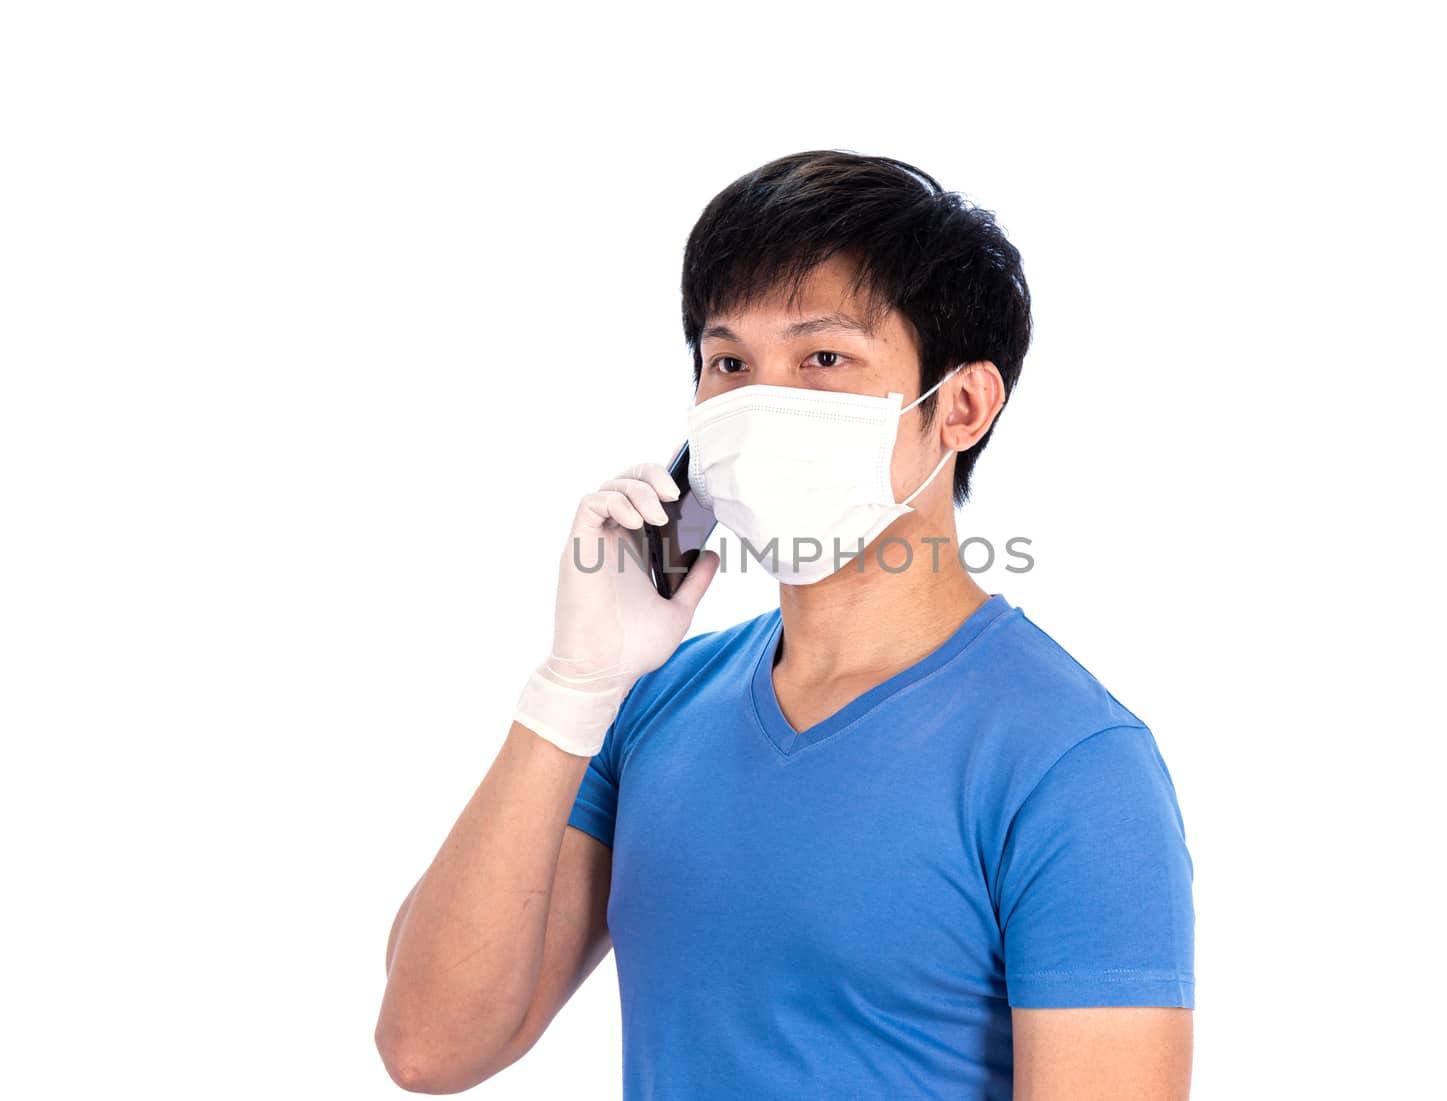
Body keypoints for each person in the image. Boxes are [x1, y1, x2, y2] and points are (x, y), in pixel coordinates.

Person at [375, 150, 1195, 1099]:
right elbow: (429, 1044)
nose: (764, 403)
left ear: (960, 404)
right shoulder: (647, 709)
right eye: (730, 363)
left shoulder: (1074, 763)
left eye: (823, 358)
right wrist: (575, 685)